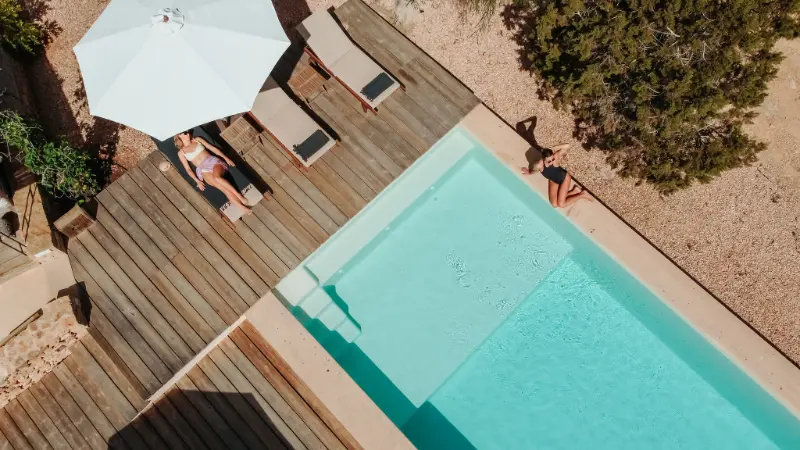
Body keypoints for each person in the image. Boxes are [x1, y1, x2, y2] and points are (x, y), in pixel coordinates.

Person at [174, 131, 251, 213]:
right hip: (203, 170)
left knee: (217, 177)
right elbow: (188, 169)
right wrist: (197, 181)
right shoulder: (181, 153)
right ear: (178, 136)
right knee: (224, 189)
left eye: (186, 132)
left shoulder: (197, 139)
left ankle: (239, 196)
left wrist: (226, 158)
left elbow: (212, 148)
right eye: (183, 132)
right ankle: (244, 208)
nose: (187, 133)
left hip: (213, 162)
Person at [521, 143, 592, 208]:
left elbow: (567, 146)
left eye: (552, 159)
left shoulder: (555, 157)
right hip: (553, 180)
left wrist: (553, 148)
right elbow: (534, 170)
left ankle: (583, 194)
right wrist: (529, 172)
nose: (552, 162)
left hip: (564, 179)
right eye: (549, 161)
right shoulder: (539, 165)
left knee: (561, 204)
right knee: (554, 204)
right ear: (543, 160)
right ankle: (575, 191)